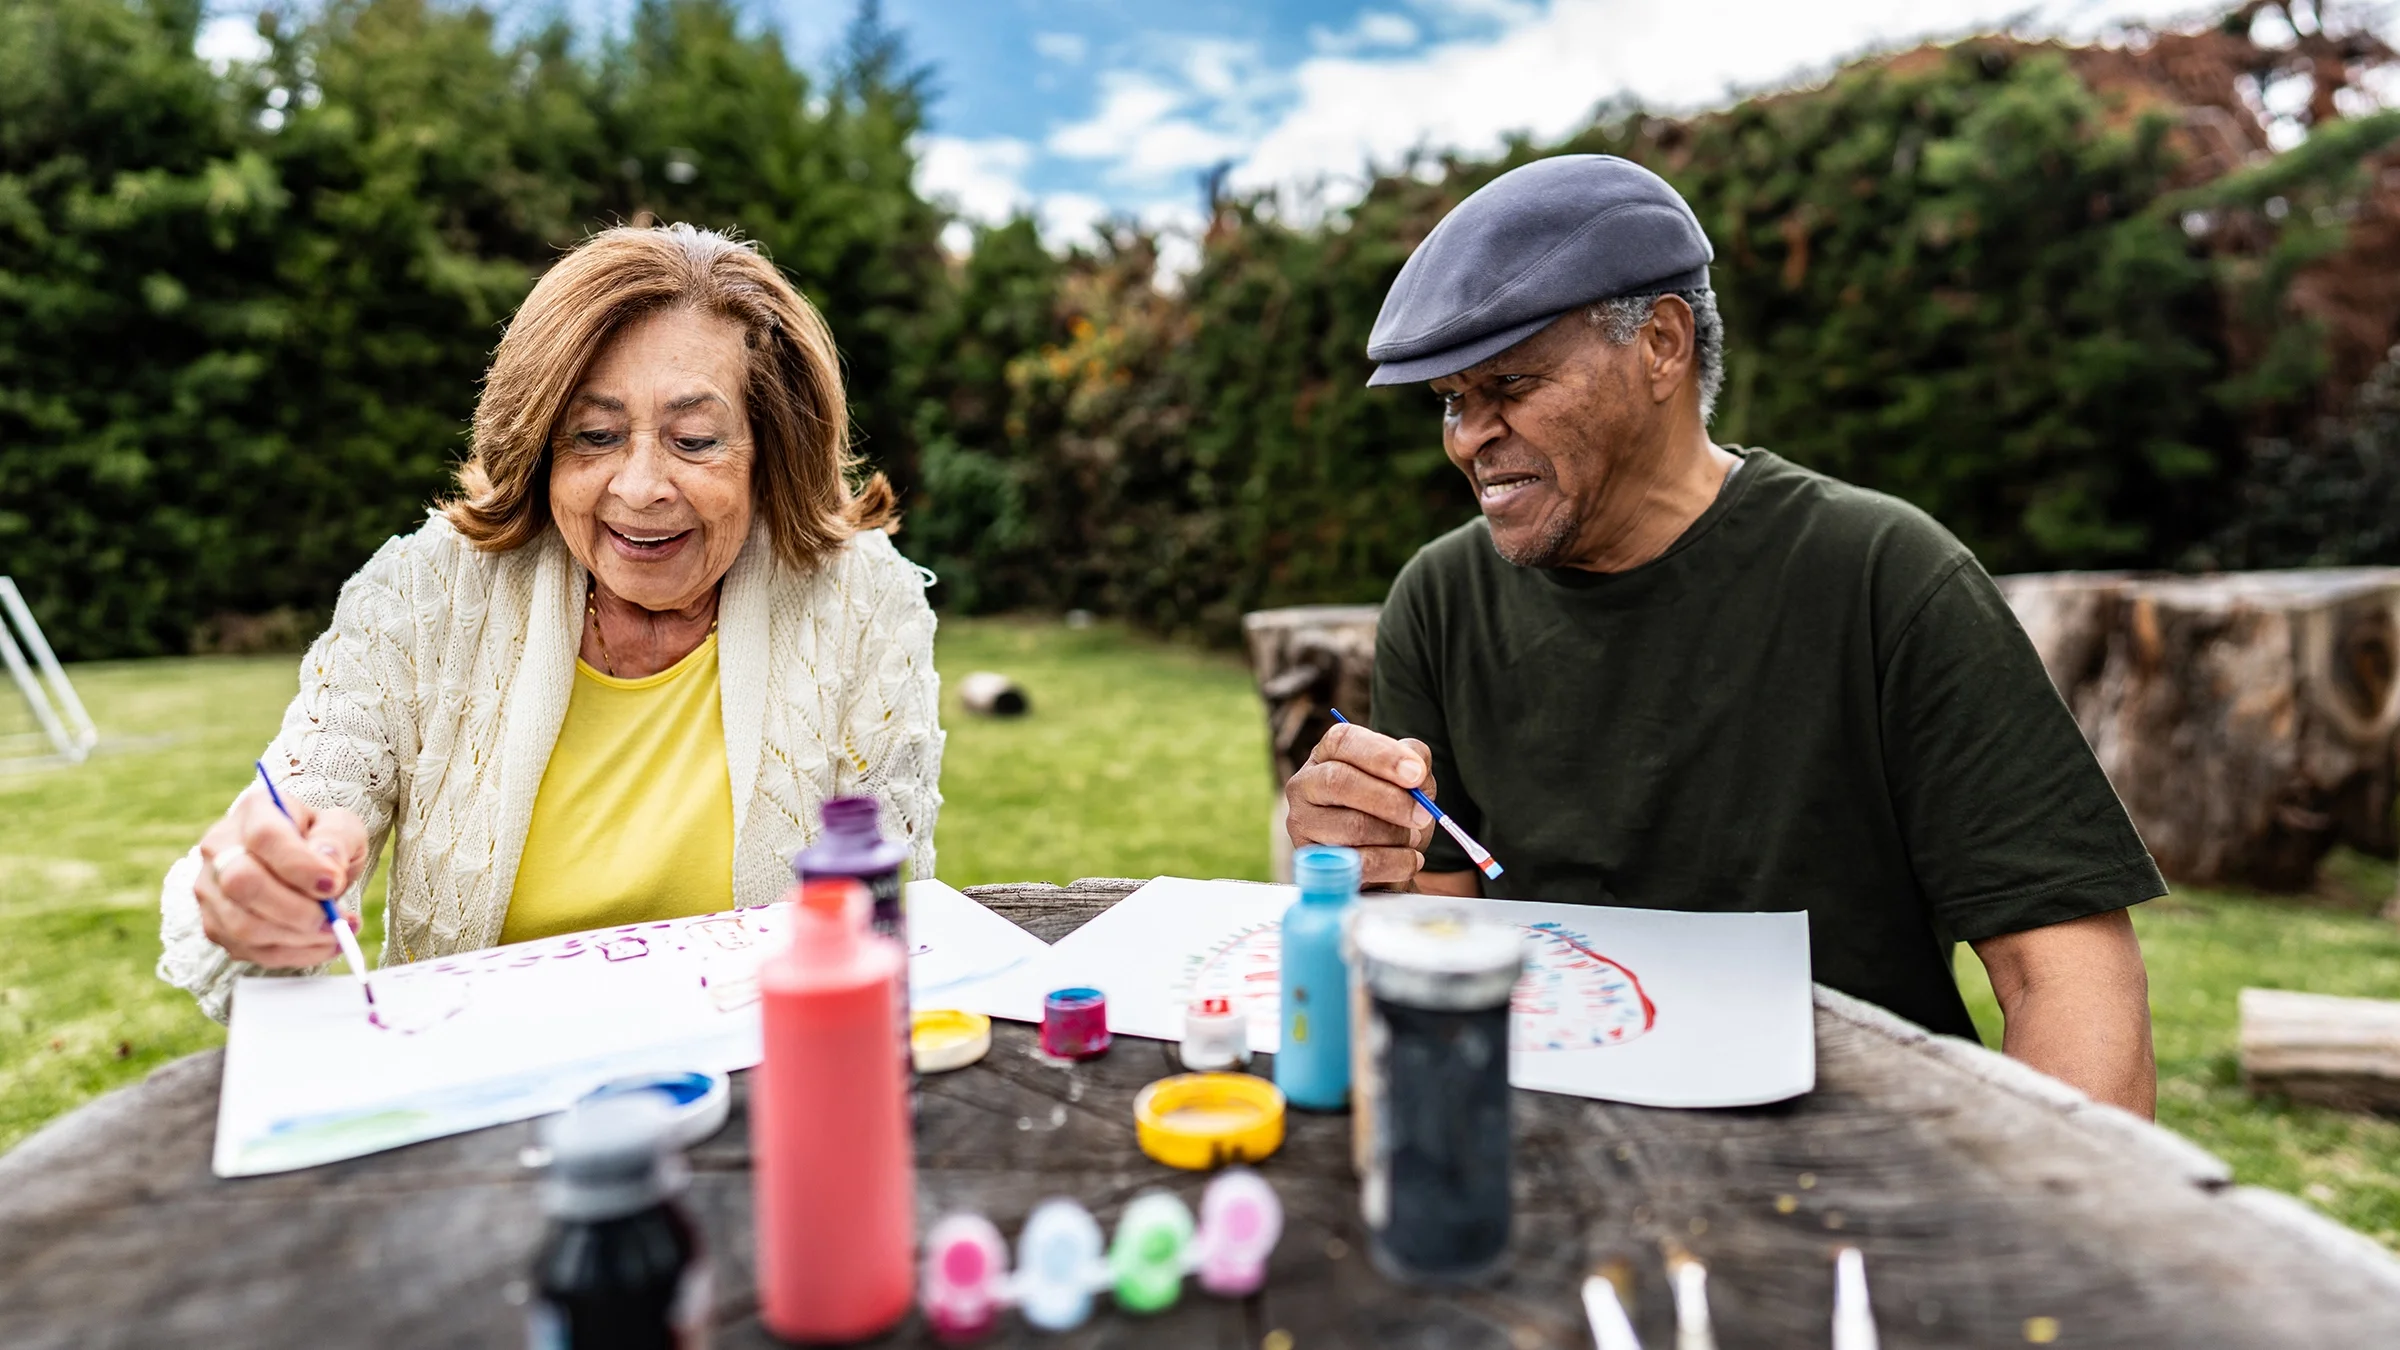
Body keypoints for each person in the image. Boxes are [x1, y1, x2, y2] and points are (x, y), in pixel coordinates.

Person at [1285, 156, 2162, 1117]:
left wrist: (2038, 1239)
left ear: (1661, 343)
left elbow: (2066, 981)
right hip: (1544, 1140)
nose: (1466, 438)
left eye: (1510, 383)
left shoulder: (1886, 577)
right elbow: (1440, 917)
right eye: (1451, 400)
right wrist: (1370, 860)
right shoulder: (1440, 598)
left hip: (1851, 1160)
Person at [158, 224, 944, 1022]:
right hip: (477, 1102)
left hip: (761, 1086)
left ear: (771, 449)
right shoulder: (423, 592)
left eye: (695, 440)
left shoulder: (861, 600)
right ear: (540, 444)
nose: (640, 487)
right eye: (594, 436)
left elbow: (888, 926)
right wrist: (255, 905)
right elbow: (285, 828)